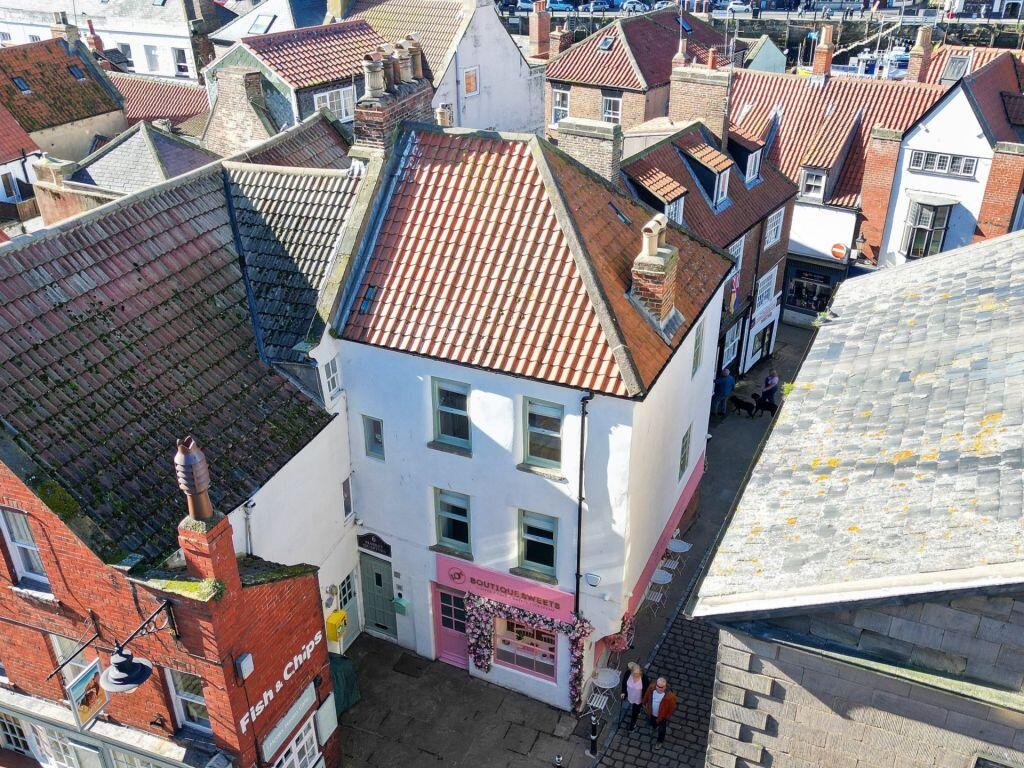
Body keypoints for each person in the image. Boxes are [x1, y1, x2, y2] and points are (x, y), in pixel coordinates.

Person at [642, 677, 677, 749]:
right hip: (651, 712)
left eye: (662, 687)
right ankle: (653, 727)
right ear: (656, 685)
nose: (660, 689)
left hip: (662, 716)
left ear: (665, 686)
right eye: (659, 687)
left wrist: (666, 716)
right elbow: (646, 695)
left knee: (661, 730)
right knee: (652, 722)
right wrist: (644, 703)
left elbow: (671, 707)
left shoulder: (670, 696)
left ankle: (659, 741)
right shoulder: (651, 688)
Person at [619, 662, 650, 731]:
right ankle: (638, 711)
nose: (635, 675)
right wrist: (623, 692)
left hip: (638, 698)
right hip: (630, 695)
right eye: (634, 673)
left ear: (640, 672)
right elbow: (624, 683)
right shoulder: (628, 674)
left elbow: (647, 690)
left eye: (637, 673)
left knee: (635, 712)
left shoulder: (644, 679)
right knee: (633, 705)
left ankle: (632, 725)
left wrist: (645, 700)